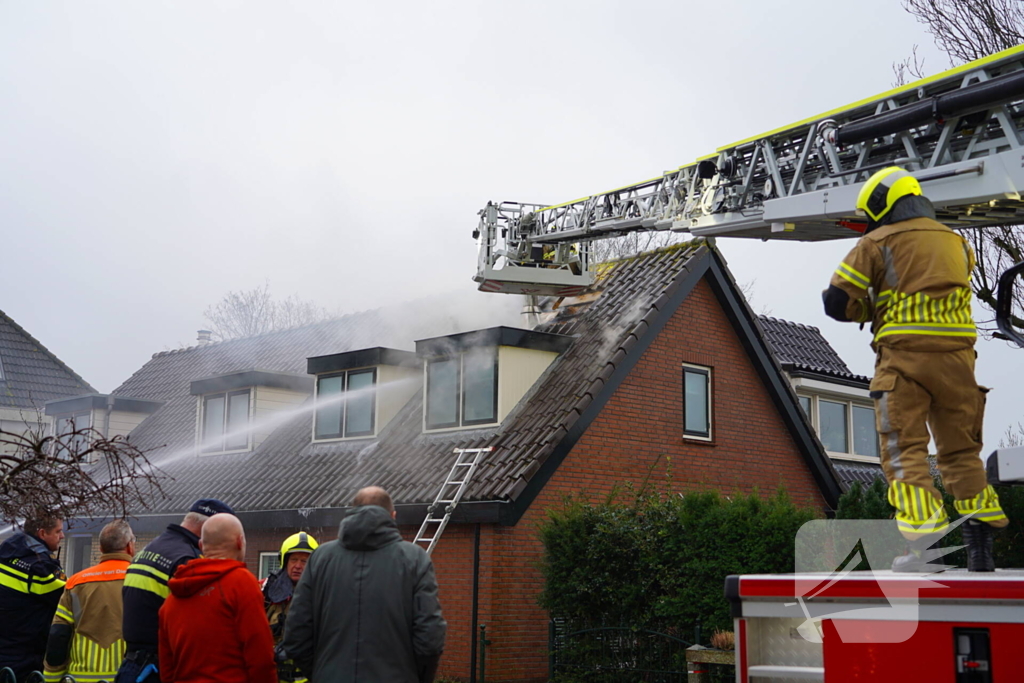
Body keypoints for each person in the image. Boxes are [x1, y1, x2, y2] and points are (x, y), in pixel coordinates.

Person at [823, 166, 1009, 572]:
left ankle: (925, 551)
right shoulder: (958, 243)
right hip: (959, 361)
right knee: (962, 452)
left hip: (904, 360)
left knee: (904, 450)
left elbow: (836, 302)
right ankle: (980, 550)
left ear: (881, 203)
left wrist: (870, 306)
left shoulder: (877, 241)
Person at [282, 486, 446, 683]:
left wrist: (322, 673)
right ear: (393, 516)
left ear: (350, 513)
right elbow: (430, 637)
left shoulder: (320, 559)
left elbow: (296, 633)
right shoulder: (414, 559)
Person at [116, 498, 234, 683]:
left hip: (134, 666)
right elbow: (199, 628)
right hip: (161, 669)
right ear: (209, 528)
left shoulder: (152, 548)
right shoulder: (188, 561)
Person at [158, 513, 276, 683]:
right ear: (240, 541)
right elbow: (260, 656)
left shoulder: (172, 599)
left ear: (201, 545)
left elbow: (167, 669)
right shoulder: (241, 583)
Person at [44, 519, 136, 683]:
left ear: (101, 549)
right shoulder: (142, 580)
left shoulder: (76, 583)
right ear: (130, 546)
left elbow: (59, 634)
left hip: (80, 678)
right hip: (128, 676)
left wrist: (52, 677)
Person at [0, 512, 65, 682]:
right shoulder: (40, 568)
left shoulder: (7, 554)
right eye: (58, 532)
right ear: (42, 533)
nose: (62, 536)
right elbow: (69, 598)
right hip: (24, 657)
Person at [261, 532, 318, 683]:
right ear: (284, 561)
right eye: (293, 560)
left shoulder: (323, 593)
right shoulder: (265, 590)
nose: (298, 566)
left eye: (304, 561)